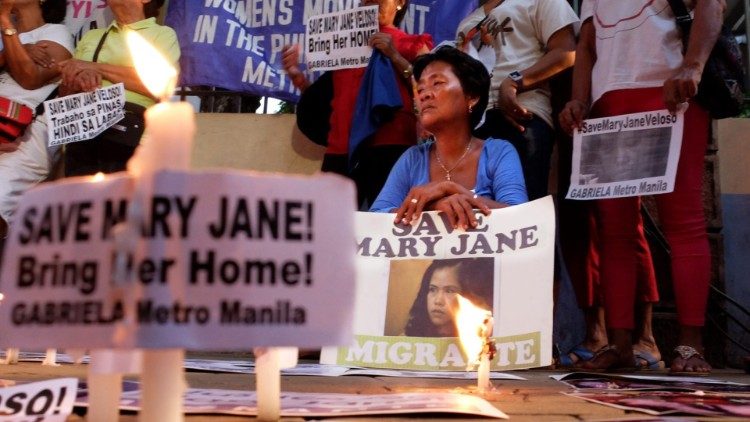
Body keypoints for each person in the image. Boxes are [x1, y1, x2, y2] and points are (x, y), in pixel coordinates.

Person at [559, 0, 723, 373]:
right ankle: (619, 344)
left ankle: (690, 346)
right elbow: (586, 45)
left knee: (683, 222)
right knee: (614, 232)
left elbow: (711, 6)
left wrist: (692, 67)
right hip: (608, 104)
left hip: (670, 91)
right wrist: (580, 99)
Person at [282, 0, 433, 209]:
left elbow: (430, 90)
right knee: (329, 226)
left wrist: (395, 56)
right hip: (340, 151)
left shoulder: (414, 44)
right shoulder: (343, 46)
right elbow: (323, 100)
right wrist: (297, 76)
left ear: (399, 3)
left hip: (391, 148)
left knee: (389, 225)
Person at [370, 46, 527, 230]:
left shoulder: (498, 153)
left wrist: (451, 189)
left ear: (472, 96)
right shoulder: (412, 159)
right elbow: (375, 218)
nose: (424, 95)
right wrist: (432, 208)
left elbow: (521, 219)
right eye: (420, 89)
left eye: (437, 83)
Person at [456, 0, 577, 200]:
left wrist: (514, 82)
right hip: (473, 124)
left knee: (522, 212)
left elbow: (566, 52)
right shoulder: (468, 20)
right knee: (473, 215)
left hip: (522, 114)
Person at [59, 0, 179, 176]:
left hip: (128, 136)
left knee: (120, 201)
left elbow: (156, 83)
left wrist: (95, 67)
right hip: (81, 133)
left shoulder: (162, 34)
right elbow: (64, 93)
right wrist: (77, 79)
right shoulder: (93, 36)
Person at [0, 0, 72, 238]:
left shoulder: (56, 32)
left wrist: (5, 25)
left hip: (23, 139)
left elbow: (30, 78)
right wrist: (17, 49)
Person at [404, 258, 494, 337]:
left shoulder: (483, 341)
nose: (438, 301)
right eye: (432, 289)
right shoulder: (406, 341)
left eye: (449, 291)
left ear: (467, 296)